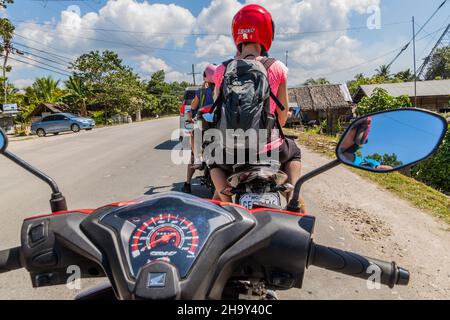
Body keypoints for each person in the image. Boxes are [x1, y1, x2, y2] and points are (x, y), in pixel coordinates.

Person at [208, 4, 304, 211]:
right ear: (267, 33)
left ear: (237, 35)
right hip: (270, 150)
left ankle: (226, 198)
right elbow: (283, 116)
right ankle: (293, 193)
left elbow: (217, 110)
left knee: (212, 161)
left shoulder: (221, 69)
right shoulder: (277, 67)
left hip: (231, 151)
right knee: (294, 152)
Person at [182, 64, 217, 194]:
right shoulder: (224, 90)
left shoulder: (201, 92)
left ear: (205, 77)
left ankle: (187, 183)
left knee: (193, 150)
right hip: (221, 129)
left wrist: (190, 117)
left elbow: (191, 109)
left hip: (204, 129)